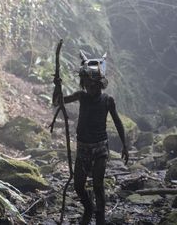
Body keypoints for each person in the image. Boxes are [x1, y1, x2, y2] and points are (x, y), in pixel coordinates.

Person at [53, 52, 129, 225]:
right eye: (86, 83)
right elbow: (58, 102)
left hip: (100, 148)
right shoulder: (81, 96)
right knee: (79, 186)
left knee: (98, 185)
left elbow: (117, 122)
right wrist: (57, 86)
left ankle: (100, 218)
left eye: (92, 84)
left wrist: (125, 145)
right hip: (83, 148)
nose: (89, 87)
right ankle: (89, 207)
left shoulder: (108, 100)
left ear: (99, 84)